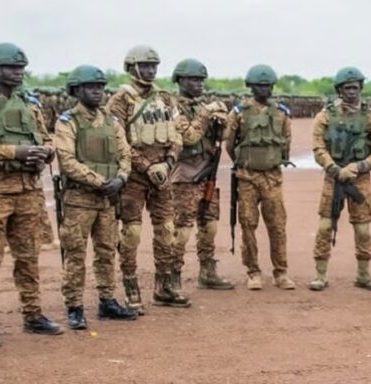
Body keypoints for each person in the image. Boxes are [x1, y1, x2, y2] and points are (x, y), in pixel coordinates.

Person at [0, 42, 62, 348]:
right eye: (11, 68)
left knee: (28, 258)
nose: (18, 73)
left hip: (28, 192)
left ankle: (33, 315)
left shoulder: (30, 104)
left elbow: (46, 138)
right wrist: (14, 151)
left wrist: (44, 152)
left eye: (21, 68)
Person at [54, 65, 139, 329]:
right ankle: (75, 306)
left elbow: (126, 154)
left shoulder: (112, 121)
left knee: (106, 251)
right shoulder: (67, 121)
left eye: (101, 87)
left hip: (107, 200)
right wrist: (102, 183)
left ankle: (107, 300)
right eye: (91, 87)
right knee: (75, 254)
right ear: (77, 90)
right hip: (80, 199)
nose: (97, 91)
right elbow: (67, 161)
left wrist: (122, 178)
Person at [106, 46, 186, 310]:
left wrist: (167, 162)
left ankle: (164, 287)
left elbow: (176, 135)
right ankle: (131, 288)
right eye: (145, 65)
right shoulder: (120, 101)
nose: (151, 70)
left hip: (162, 175)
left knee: (166, 231)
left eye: (154, 66)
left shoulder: (166, 98)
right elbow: (118, 141)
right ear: (132, 68)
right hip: (133, 178)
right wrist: (145, 166)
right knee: (131, 233)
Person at [308, 67, 371, 292]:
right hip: (333, 178)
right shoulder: (325, 116)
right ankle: (320, 275)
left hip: (359, 179)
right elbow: (318, 148)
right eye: (347, 88)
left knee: (362, 229)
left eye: (355, 87)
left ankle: (363, 275)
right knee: (325, 227)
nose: (351, 92)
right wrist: (334, 168)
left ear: (360, 88)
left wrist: (359, 166)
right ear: (339, 90)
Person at [223, 64, 295, 291]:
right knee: (248, 225)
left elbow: (286, 143)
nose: (264, 89)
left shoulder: (282, 113)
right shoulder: (238, 113)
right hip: (247, 178)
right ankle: (253, 271)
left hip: (272, 177)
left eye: (267, 85)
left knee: (277, 226)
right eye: (259, 85)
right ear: (251, 86)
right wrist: (245, 162)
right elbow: (229, 143)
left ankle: (281, 272)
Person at [169, 59, 235, 290]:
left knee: (210, 225)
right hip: (185, 175)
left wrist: (222, 120)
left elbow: (222, 137)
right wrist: (206, 115)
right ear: (180, 81)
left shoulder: (201, 107)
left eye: (200, 80)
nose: (199, 84)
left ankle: (208, 271)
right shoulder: (172, 107)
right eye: (194, 80)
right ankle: (172, 275)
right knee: (182, 228)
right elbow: (188, 138)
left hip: (206, 173)